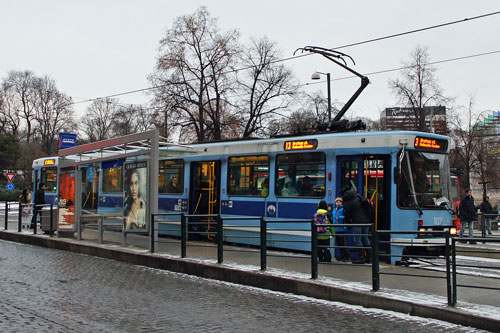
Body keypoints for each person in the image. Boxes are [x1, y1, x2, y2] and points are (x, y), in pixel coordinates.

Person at [341, 188, 372, 264]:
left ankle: (361, 258)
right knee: (365, 238)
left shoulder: (347, 202)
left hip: (357, 222)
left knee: (357, 239)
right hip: (366, 220)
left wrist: (348, 224)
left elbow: (347, 215)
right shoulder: (358, 197)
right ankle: (369, 257)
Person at [332, 197, 350, 262]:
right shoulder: (334, 210)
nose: (338, 203)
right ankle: (342, 256)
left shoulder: (343, 209)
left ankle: (346, 256)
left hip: (342, 229)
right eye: (337, 202)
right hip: (336, 229)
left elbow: (346, 216)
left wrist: (339, 217)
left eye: (340, 202)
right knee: (339, 243)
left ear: (342, 203)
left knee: (343, 243)